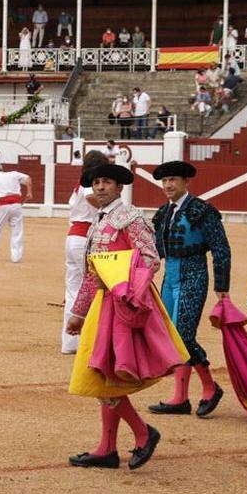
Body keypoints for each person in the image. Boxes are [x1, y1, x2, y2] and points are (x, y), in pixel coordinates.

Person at [66, 163, 183, 470]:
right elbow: (93, 273)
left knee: (105, 375)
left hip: (122, 305)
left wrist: (120, 282)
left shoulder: (130, 218)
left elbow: (149, 259)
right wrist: (78, 312)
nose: (101, 187)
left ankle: (142, 433)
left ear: (120, 188)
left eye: (107, 182)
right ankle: (107, 448)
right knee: (105, 373)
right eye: (97, 183)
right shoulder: (100, 220)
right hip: (103, 306)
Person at [147, 161, 231, 418]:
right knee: (172, 336)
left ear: (186, 182)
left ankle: (209, 386)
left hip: (193, 276)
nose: (168, 185)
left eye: (173, 180)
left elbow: (220, 248)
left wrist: (222, 286)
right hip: (169, 278)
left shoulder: (201, 211)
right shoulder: (163, 213)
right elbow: (156, 251)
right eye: (165, 181)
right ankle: (180, 398)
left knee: (183, 334)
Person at [61, 151, 108, 354]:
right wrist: (112, 208)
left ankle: (69, 343)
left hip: (73, 237)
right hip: (86, 237)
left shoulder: (81, 183)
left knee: (73, 289)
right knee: (89, 289)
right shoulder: (93, 184)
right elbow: (92, 198)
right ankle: (86, 341)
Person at [0, 163, 33, 263]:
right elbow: (28, 179)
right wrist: (29, 192)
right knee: (17, 231)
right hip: (16, 205)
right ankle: (16, 257)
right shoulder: (13, 174)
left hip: (2, 207)